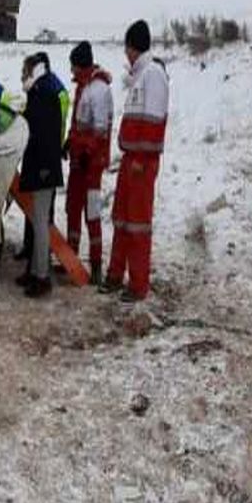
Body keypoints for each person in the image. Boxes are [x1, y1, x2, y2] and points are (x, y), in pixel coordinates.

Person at [101, 20, 169, 302]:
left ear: (132, 47)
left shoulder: (153, 75)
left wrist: (141, 157)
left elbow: (153, 121)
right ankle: (116, 275)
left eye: (126, 49)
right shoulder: (139, 76)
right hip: (131, 159)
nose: (126, 55)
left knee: (137, 224)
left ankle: (138, 285)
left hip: (142, 161)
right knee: (122, 219)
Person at [65, 41, 114, 284]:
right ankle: (70, 259)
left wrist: (87, 152)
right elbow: (78, 123)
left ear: (81, 65)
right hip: (78, 160)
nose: (71, 72)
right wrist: (69, 142)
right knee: (72, 208)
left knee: (91, 212)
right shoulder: (83, 88)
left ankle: (96, 265)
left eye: (73, 67)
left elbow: (100, 130)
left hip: (92, 164)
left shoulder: (99, 90)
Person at [16, 52, 64, 298]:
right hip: (41, 166)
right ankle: (34, 270)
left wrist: (45, 168)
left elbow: (44, 134)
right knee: (37, 221)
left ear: (34, 70)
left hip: (43, 168)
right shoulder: (41, 90)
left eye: (25, 70)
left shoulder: (42, 93)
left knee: (41, 223)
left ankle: (42, 277)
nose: (22, 75)